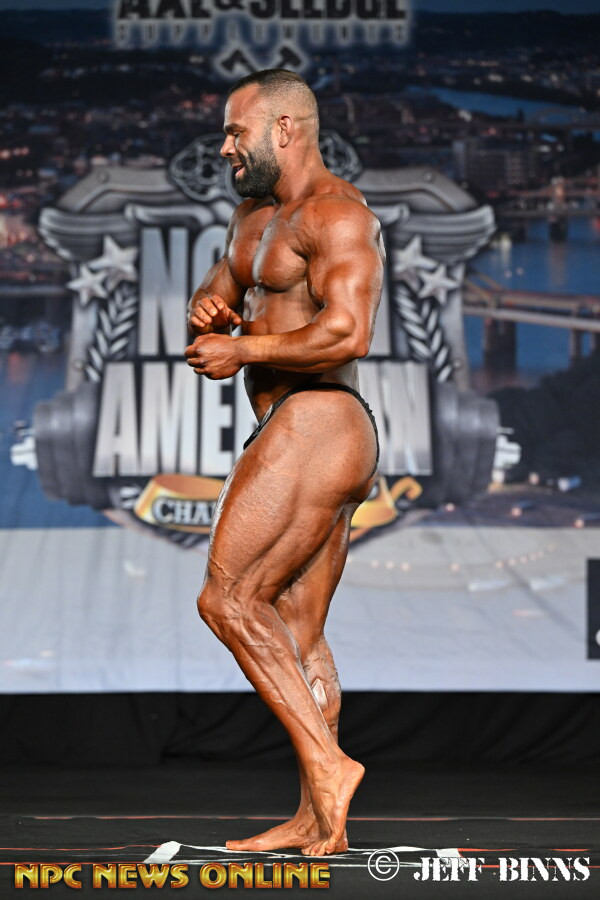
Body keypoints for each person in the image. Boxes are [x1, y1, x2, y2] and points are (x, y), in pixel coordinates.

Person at [184, 69, 384, 857]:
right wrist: (209, 310)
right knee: (296, 633)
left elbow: (348, 332)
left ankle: (331, 768)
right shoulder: (252, 219)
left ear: (285, 129)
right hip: (297, 426)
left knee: (229, 598)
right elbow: (218, 301)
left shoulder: (337, 213)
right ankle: (317, 819)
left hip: (322, 418)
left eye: (237, 132)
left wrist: (245, 350)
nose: (226, 148)